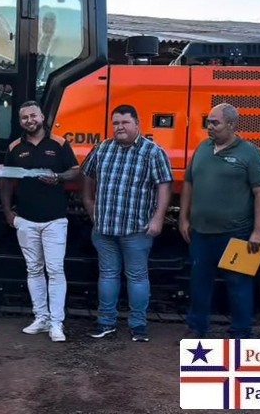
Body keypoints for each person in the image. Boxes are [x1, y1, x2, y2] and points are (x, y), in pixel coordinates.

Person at [178, 103, 260, 340]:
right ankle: (196, 328)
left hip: (238, 233)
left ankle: (241, 332)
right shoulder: (202, 148)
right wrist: (183, 218)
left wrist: (258, 231)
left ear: (231, 124)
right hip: (201, 232)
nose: (210, 127)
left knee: (239, 284)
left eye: (215, 123)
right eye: (208, 122)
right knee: (199, 283)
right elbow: (188, 183)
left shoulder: (250, 153)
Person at [81, 104, 172, 342]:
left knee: (137, 277)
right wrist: (89, 202)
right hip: (104, 227)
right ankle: (106, 322)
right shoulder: (102, 148)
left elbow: (164, 186)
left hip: (136, 229)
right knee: (107, 275)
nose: (119, 127)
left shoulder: (153, 152)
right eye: (116, 123)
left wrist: (158, 218)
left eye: (125, 122)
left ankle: (138, 325)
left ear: (137, 124)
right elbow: (87, 175)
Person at [0, 101, 79, 342]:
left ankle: (56, 323)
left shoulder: (59, 143)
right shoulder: (14, 148)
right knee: (33, 269)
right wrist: (8, 212)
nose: (29, 120)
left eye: (33, 115)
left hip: (55, 219)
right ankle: (41, 318)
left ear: (42, 117)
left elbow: (75, 170)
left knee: (55, 270)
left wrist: (58, 177)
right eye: (24, 117)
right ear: (20, 121)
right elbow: (6, 181)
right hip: (26, 219)